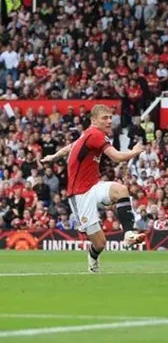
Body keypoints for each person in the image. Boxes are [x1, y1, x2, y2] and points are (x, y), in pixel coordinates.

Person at [41, 104, 146, 273]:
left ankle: (128, 235)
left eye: (111, 117)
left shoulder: (87, 135)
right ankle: (92, 257)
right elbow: (117, 157)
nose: (109, 121)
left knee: (121, 190)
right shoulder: (95, 134)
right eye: (105, 118)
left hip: (94, 186)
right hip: (80, 194)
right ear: (93, 120)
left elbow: (70, 147)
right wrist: (135, 151)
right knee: (100, 244)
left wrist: (53, 156)